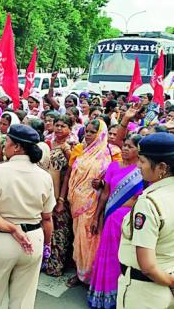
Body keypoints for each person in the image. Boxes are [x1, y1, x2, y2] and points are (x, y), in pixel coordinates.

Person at [0, 124, 55, 309]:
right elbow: (47, 218)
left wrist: (12, 228)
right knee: (23, 301)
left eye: (7, 141)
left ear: (17, 147)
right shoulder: (45, 176)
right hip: (33, 240)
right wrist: (46, 245)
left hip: (1, 239)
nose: (4, 145)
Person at [117, 132, 174, 309]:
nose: (137, 166)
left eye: (142, 161)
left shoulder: (148, 203)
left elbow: (148, 267)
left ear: (161, 167)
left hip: (143, 292)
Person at [88, 134, 143, 309]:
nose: (125, 149)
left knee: (125, 258)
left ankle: (122, 298)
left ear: (139, 152)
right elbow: (105, 194)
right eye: (125, 145)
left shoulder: (142, 171)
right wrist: (96, 216)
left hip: (129, 221)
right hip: (111, 218)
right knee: (108, 256)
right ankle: (105, 297)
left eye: (130, 146)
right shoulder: (113, 166)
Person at [59, 119, 113, 286]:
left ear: (100, 134)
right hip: (76, 202)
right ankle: (80, 272)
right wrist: (62, 198)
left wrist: (102, 184)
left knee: (90, 240)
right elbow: (69, 174)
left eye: (92, 132)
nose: (88, 135)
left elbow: (111, 181)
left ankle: (90, 277)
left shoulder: (108, 153)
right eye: (87, 131)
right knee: (78, 239)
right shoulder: (80, 150)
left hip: (92, 205)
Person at [43, 115, 74, 277]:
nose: (59, 128)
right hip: (45, 191)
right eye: (57, 125)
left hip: (62, 192)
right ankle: (44, 260)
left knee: (60, 230)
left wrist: (61, 199)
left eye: (63, 126)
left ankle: (57, 265)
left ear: (70, 128)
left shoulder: (73, 146)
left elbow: (72, 172)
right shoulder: (47, 143)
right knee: (46, 228)